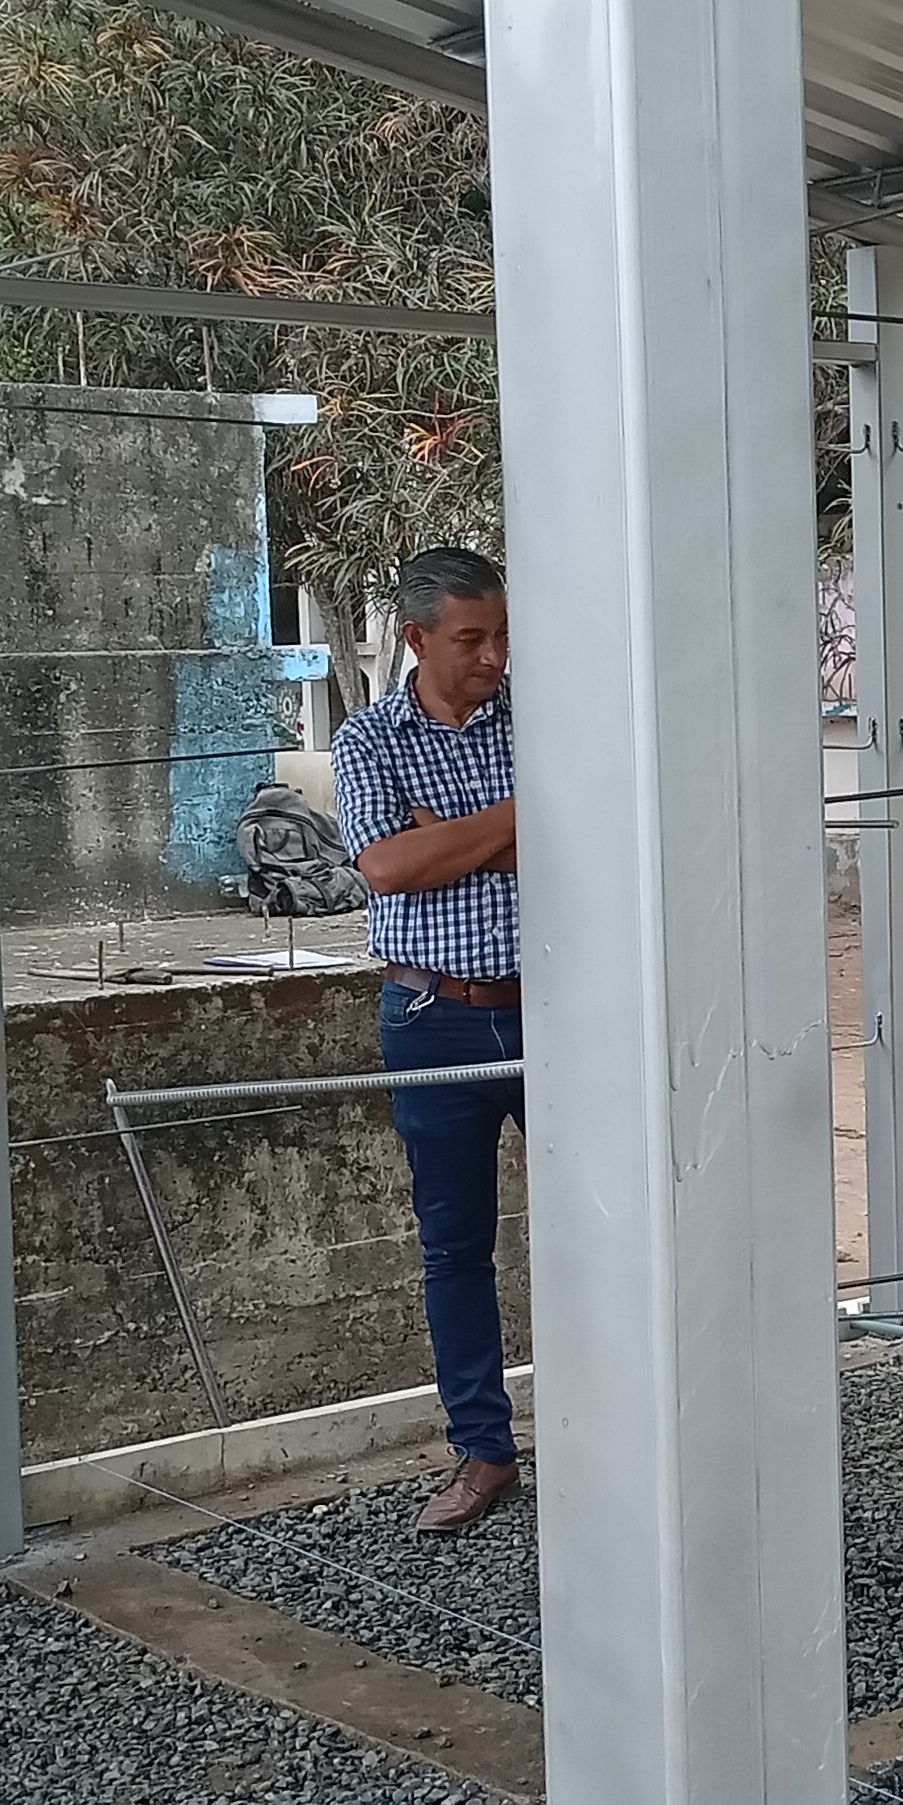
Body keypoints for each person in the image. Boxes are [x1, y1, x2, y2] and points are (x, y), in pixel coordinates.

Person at [330, 547, 527, 1537]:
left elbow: (590, 835)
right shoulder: (368, 738)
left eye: (501, 635)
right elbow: (387, 867)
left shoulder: (542, 720)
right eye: (472, 639)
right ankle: (484, 1449)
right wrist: (514, 818)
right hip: (430, 1018)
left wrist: (445, 834)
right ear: (416, 638)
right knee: (454, 1244)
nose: (495, 657)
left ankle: (617, 1424)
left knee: (606, 1220)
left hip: (553, 1013)